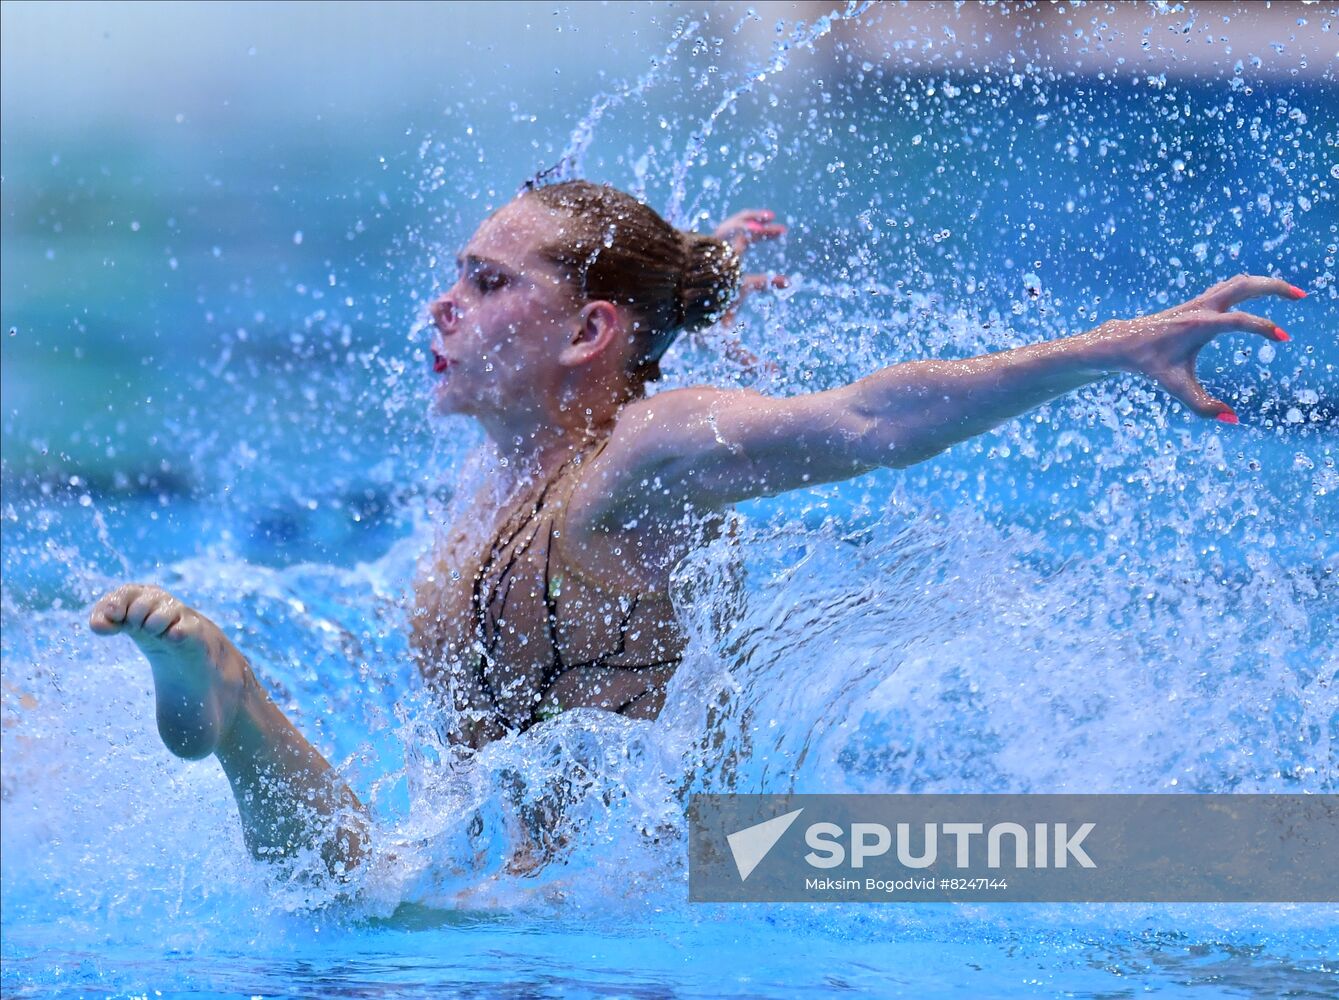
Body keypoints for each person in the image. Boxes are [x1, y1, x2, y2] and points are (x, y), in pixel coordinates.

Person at [89, 178, 1305, 876]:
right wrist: (686, 271)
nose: (441, 306)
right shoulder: (500, 463)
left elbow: (873, 418)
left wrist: (1113, 347)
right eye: (458, 273)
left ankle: (240, 712)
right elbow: (620, 316)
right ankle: (237, 714)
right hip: (503, 888)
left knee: (355, 913)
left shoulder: (638, 455)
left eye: (488, 282)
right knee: (356, 893)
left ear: (587, 334)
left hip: (643, 900)